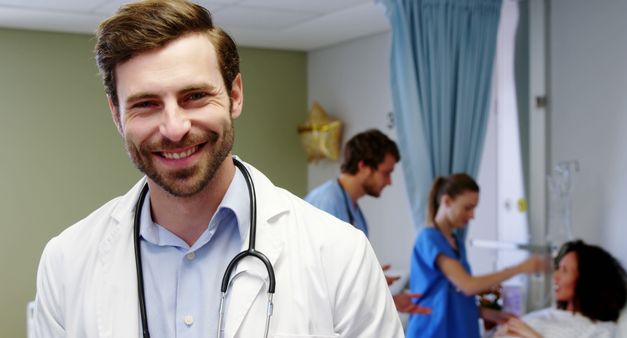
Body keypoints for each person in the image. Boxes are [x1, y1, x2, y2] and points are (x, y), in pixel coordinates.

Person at [32, 1, 404, 337]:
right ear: (117, 114)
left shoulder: (339, 254)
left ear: (235, 95)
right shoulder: (66, 263)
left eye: (194, 96)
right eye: (146, 103)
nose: (175, 127)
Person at [305, 129, 430, 315]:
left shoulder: (354, 211)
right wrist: (368, 278)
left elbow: (345, 276)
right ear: (363, 166)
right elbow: (321, 275)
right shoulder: (327, 202)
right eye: (386, 173)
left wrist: (385, 296)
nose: (389, 182)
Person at [405, 173, 546, 338]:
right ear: (446, 201)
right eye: (467, 207)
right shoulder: (429, 239)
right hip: (433, 331)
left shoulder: (456, 242)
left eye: (474, 208)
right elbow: (467, 286)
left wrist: (488, 314)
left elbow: (455, 295)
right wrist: (521, 267)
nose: (472, 215)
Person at [494, 239, 627, 338]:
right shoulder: (546, 314)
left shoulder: (602, 330)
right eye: (557, 268)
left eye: (564, 270)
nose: (555, 276)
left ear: (586, 281)